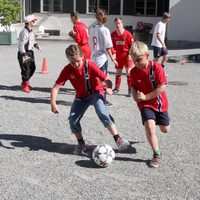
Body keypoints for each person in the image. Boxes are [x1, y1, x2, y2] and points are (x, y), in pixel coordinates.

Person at [51, 45, 130, 155]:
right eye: (72, 62)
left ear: (82, 56)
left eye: (78, 61)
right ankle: (81, 143)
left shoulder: (90, 65)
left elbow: (106, 79)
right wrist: (53, 103)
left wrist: (109, 87)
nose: (75, 65)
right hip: (81, 96)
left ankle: (118, 140)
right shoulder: (67, 69)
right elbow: (55, 87)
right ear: (68, 60)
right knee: (73, 118)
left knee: (102, 112)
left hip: (96, 93)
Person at [129, 41, 170, 168]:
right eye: (134, 60)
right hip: (145, 104)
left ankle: (162, 121)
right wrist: (135, 95)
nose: (136, 63)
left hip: (159, 103)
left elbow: (162, 87)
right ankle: (156, 154)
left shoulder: (156, 68)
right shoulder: (133, 72)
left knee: (165, 130)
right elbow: (133, 87)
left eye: (139, 60)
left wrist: (147, 96)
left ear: (147, 55)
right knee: (150, 127)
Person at [89, 8, 117, 106]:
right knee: (104, 79)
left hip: (93, 57)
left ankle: (93, 97)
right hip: (101, 58)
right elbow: (108, 47)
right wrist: (113, 59)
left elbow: (90, 44)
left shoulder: (92, 28)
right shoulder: (105, 30)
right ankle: (102, 100)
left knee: (94, 79)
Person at [17, 15, 41, 93]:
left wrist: (36, 45)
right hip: (24, 52)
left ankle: (25, 81)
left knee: (33, 68)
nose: (34, 23)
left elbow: (32, 41)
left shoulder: (30, 31)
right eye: (33, 21)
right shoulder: (24, 32)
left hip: (30, 52)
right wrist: (24, 54)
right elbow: (21, 44)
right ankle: (25, 85)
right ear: (29, 23)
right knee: (26, 70)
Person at [111, 17, 134, 96]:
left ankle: (130, 89)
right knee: (118, 73)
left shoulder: (128, 34)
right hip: (118, 56)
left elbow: (132, 46)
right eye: (116, 23)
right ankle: (117, 88)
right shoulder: (113, 34)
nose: (117, 25)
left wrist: (130, 55)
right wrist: (113, 54)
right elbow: (111, 46)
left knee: (128, 73)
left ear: (122, 24)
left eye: (119, 23)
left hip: (127, 56)